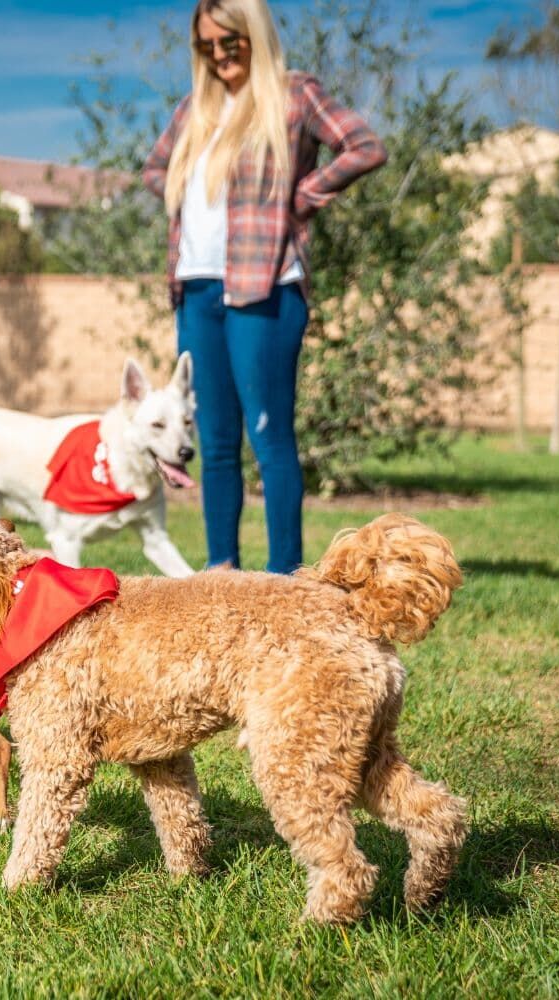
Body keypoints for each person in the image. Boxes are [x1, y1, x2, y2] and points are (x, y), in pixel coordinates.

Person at [143, 0, 385, 574]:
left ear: (254, 36)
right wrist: (181, 195)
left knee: (269, 437)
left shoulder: (295, 94)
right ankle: (222, 572)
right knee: (217, 442)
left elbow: (365, 147)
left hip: (267, 286)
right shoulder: (194, 109)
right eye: (208, 46)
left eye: (231, 43)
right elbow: (153, 170)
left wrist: (301, 196)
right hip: (196, 289)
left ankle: (286, 578)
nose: (220, 56)